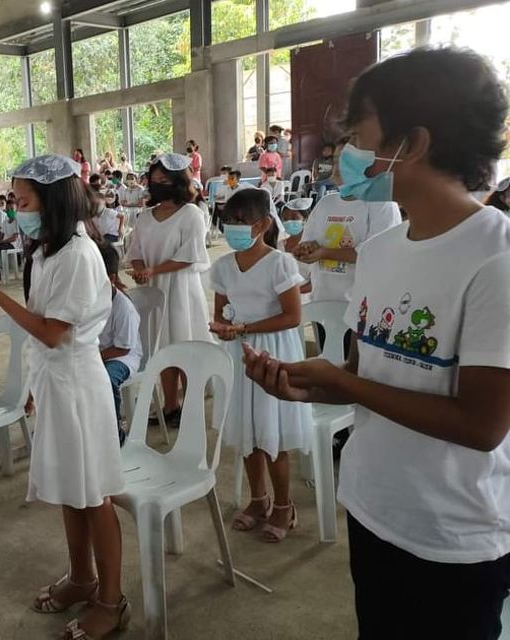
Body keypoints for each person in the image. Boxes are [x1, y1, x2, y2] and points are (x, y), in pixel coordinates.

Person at [243, 47, 510, 639]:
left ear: (411, 143)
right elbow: (368, 367)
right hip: (372, 505)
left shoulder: (496, 258)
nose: (343, 156)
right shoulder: (384, 249)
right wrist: (312, 384)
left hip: (450, 537)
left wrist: (346, 383)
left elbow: (482, 424)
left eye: (358, 136)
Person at [0, 154, 127, 640]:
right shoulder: (45, 250)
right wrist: (32, 387)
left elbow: (54, 333)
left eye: (23, 200)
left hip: (78, 385)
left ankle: (111, 601)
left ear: (50, 201)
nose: (16, 208)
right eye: (14, 199)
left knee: (93, 493)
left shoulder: (78, 254)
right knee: (69, 491)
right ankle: (81, 577)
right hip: (55, 382)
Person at [209, 188, 311, 542]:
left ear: (264, 224)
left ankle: (284, 505)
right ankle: (258, 499)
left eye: (243, 222)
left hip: (273, 352)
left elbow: (292, 316)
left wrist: (245, 328)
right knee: (247, 435)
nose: (234, 228)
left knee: (272, 436)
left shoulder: (280, 263)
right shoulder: (223, 265)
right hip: (239, 354)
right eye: (229, 222)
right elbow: (221, 312)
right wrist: (224, 329)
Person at [126, 153, 212, 424]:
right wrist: (141, 270)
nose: (158, 184)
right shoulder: (145, 216)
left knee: (184, 344)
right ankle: (170, 405)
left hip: (181, 289)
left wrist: (155, 270)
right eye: (154, 180)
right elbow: (135, 250)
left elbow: (191, 255)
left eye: (164, 180)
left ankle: (192, 405)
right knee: (160, 347)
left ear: (177, 182)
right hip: (154, 290)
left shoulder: (191, 215)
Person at [295, 140, 402, 356]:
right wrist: (304, 251)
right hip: (323, 301)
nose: (337, 168)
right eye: (334, 161)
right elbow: (309, 243)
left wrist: (324, 252)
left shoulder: (380, 204)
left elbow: (376, 254)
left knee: (354, 366)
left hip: (361, 309)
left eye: (346, 162)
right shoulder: (326, 204)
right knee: (328, 358)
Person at [97, 244, 142, 446]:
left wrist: (93, 358)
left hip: (122, 357)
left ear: (111, 279)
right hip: (98, 354)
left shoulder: (123, 307)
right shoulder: (89, 301)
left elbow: (123, 348)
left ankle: (114, 437)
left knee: (106, 379)